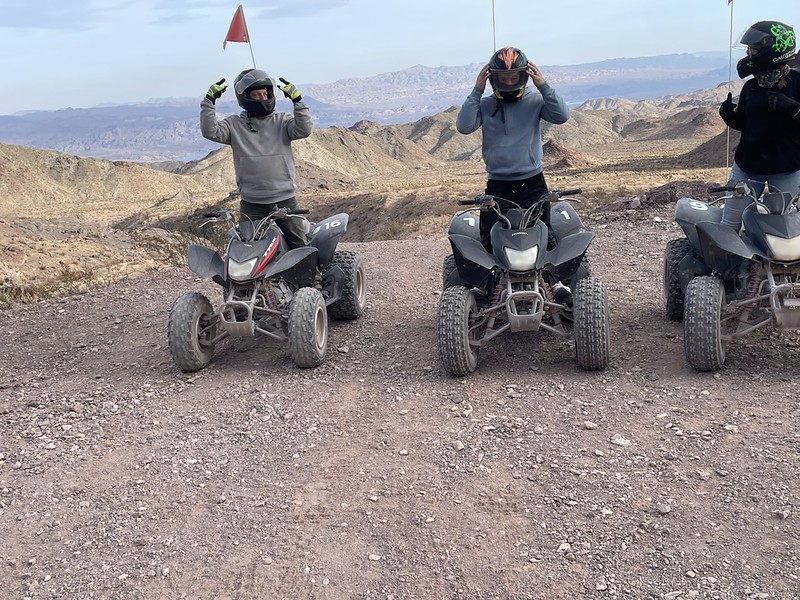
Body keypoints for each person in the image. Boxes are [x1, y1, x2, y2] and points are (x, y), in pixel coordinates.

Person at [456, 46, 569, 253]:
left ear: (524, 77)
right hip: (498, 185)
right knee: (490, 243)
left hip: (533, 183)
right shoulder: (486, 105)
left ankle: (551, 275)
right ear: (493, 79)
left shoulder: (535, 101)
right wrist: (477, 91)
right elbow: (464, 126)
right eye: (503, 78)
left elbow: (561, 116)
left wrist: (543, 86)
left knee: (545, 240)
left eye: (514, 78)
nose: (509, 83)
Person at [201, 68, 313, 248]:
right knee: (248, 248)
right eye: (256, 95)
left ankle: (311, 268)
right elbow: (210, 131)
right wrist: (209, 102)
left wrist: (297, 101)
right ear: (245, 97)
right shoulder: (234, 125)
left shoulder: (282, 121)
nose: (262, 98)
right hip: (252, 202)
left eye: (265, 94)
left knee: (300, 247)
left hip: (284, 198)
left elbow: (304, 129)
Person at [719, 20, 800, 226]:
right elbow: (744, 124)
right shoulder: (751, 86)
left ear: (772, 52)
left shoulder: (797, 82)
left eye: (753, 50)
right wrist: (729, 115)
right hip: (747, 166)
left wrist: (792, 107)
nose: (748, 55)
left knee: (783, 229)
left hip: (786, 169)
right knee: (730, 224)